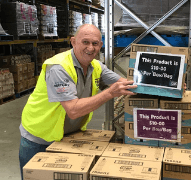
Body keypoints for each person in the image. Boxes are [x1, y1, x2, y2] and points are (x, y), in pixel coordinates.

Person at [18, 24, 137, 179]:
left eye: (95, 43)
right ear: (73, 42)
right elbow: (73, 110)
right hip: (40, 138)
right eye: (85, 42)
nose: (90, 48)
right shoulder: (58, 67)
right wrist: (109, 93)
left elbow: (127, 84)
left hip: (67, 137)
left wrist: (172, 86)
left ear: (100, 45)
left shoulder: (96, 66)